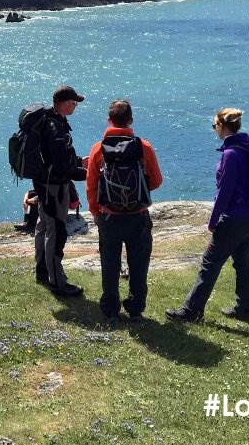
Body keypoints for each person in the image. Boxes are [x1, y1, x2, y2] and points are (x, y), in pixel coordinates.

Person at [166, 108, 249, 324]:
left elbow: (225, 192)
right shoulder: (248, 146)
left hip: (235, 218)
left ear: (222, 126)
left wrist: (213, 221)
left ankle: (192, 312)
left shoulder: (231, 154)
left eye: (214, 126)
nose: (214, 130)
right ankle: (245, 310)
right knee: (242, 261)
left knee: (210, 263)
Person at [86, 100, 163, 321]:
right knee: (139, 264)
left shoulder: (98, 148)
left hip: (108, 216)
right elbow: (156, 181)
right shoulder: (143, 147)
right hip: (138, 216)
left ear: (109, 120)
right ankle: (136, 308)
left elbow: (91, 185)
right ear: (130, 120)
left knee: (110, 264)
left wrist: (95, 211)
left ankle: (110, 310)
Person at [34, 85, 88, 297]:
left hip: (43, 183)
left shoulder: (47, 121)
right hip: (54, 186)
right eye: (73, 103)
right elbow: (60, 165)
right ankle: (57, 282)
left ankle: (42, 272)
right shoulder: (56, 128)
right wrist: (86, 173)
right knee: (56, 232)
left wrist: (76, 161)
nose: (75, 106)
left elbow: (55, 157)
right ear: (63, 104)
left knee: (43, 226)